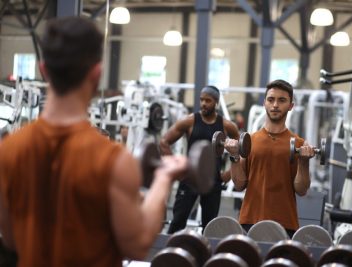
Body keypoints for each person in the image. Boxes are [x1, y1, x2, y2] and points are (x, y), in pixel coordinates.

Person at [0, 17, 188, 267]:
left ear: (43, 69)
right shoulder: (114, 160)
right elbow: (137, 243)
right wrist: (164, 178)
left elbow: (12, 240)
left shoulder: (8, 152)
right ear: (97, 73)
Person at [225, 79, 315, 238]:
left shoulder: (299, 144)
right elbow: (239, 185)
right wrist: (234, 156)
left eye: (282, 100)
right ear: (264, 103)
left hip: (285, 223)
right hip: (250, 220)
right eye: (271, 99)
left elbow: (301, 190)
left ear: (291, 106)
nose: (275, 105)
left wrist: (304, 162)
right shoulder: (250, 140)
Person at [160, 85, 240, 234]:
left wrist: (228, 174)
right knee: (177, 223)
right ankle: (171, 254)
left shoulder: (226, 126)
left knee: (209, 228)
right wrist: (178, 170)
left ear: (216, 102)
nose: (203, 103)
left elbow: (241, 149)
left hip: (213, 181)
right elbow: (164, 142)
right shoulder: (189, 121)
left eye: (208, 100)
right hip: (189, 179)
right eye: (201, 100)